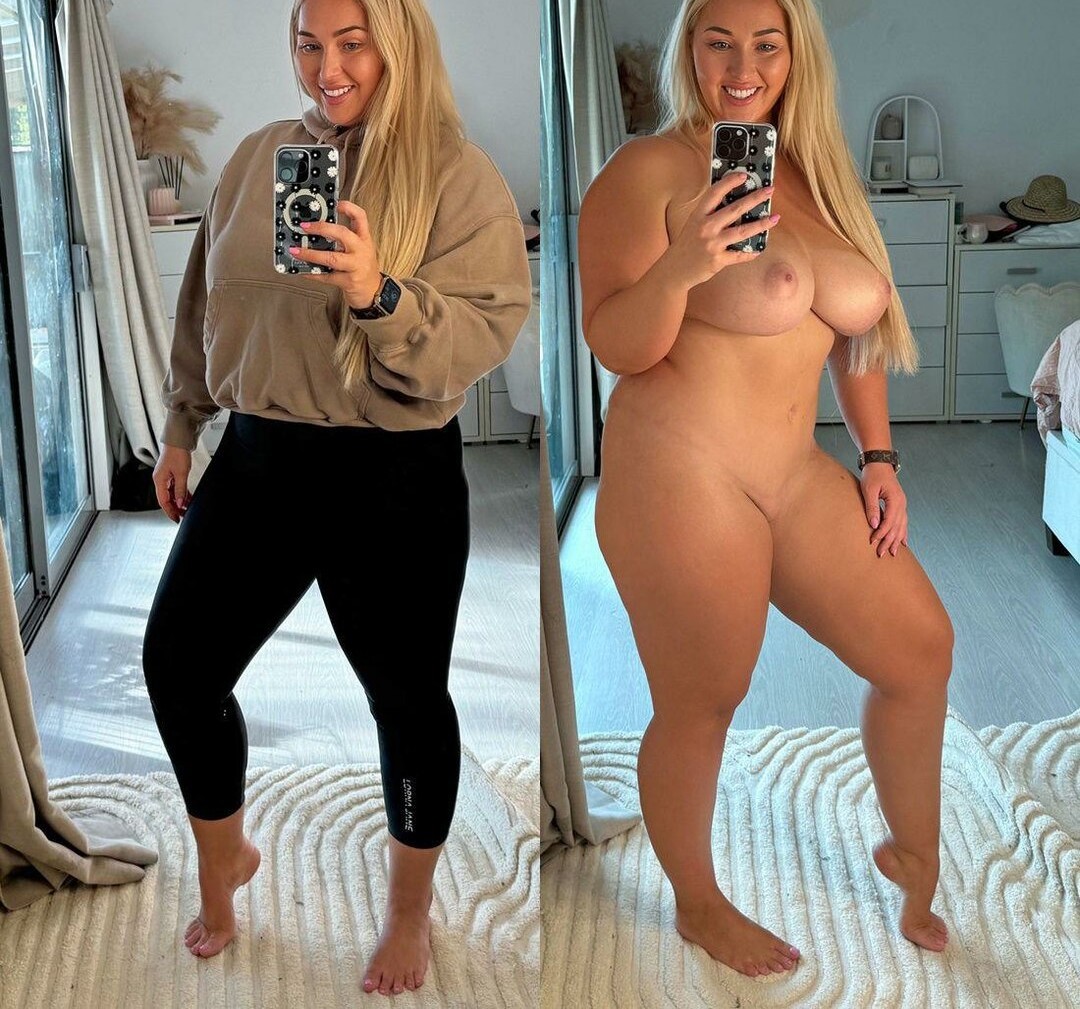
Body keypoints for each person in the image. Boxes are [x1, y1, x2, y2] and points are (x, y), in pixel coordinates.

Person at [142, 0, 530, 995]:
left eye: (353, 44)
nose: (328, 67)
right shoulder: (262, 157)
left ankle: (408, 912)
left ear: (398, 45)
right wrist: (184, 423)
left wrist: (376, 292)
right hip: (260, 459)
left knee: (406, 699)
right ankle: (226, 856)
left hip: (392, 473)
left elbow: (483, 334)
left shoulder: (457, 176)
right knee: (178, 665)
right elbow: (205, 303)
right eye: (310, 44)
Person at [577, 0, 954, 979]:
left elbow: (857, 331)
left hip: (792, 470)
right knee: (704, 696)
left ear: (795, 55)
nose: (741, 65)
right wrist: (683, 267)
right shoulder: (646, 172)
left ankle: (914, 853)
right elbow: (613, 340)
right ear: (689, 49)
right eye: (718, 41)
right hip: (679, 470)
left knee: (920, 648)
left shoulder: (816, 172)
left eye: (765, 44)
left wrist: (879, 457)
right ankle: (698, 904)